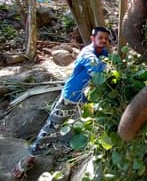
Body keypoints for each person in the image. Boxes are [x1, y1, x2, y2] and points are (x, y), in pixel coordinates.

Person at [12, 27, 110, 178]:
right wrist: (111, 66)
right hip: (70, 97)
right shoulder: (87, 53)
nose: (103, 41)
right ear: (92, 38)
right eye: (100, 37)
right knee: (52, 127)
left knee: (97, 124)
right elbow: (97, 70)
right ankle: (29, 158)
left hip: (87, 99)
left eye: (106, 38)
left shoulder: (103, 53)